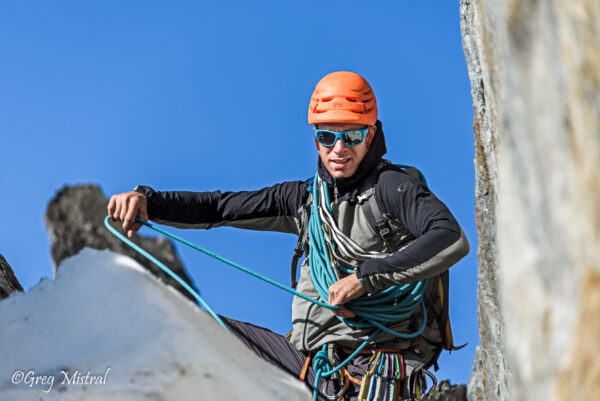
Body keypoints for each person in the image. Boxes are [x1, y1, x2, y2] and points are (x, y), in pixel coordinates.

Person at [108, 71, 469, 400]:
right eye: (327, 136)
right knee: (199, 332)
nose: (338, 149)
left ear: (371, 134)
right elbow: (218, 208)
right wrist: (148, 201)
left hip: (373, 372)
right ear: (316, 140)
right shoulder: (306, 200)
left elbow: (449, 236)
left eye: (352, 135)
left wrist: (363, 280)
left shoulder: (392, 188)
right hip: (307, 364)